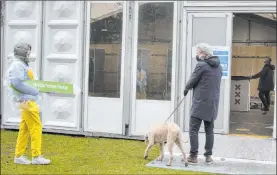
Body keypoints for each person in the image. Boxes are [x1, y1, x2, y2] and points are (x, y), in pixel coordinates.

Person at [6, 43, 51, 165]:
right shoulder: (17, 65)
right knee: (36, 127)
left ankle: (19, 156)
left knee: (25, 128)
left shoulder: (20, 64)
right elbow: (17, 83)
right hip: (26, 101)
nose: (29, 55)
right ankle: (36, 156)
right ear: (22, 53)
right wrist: (36, 91)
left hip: (26, 100)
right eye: (27, 53)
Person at [183, 43, 222, 165]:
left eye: (198, 52)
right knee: (209, 130)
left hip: (200, 103)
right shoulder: (219, 67)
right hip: (212, 104)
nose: (197, 54)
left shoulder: (201, 65)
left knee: (193, 129)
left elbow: (192, 80)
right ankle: (208, 156)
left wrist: (186, 89)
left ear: (204, 53)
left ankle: (193, 156)